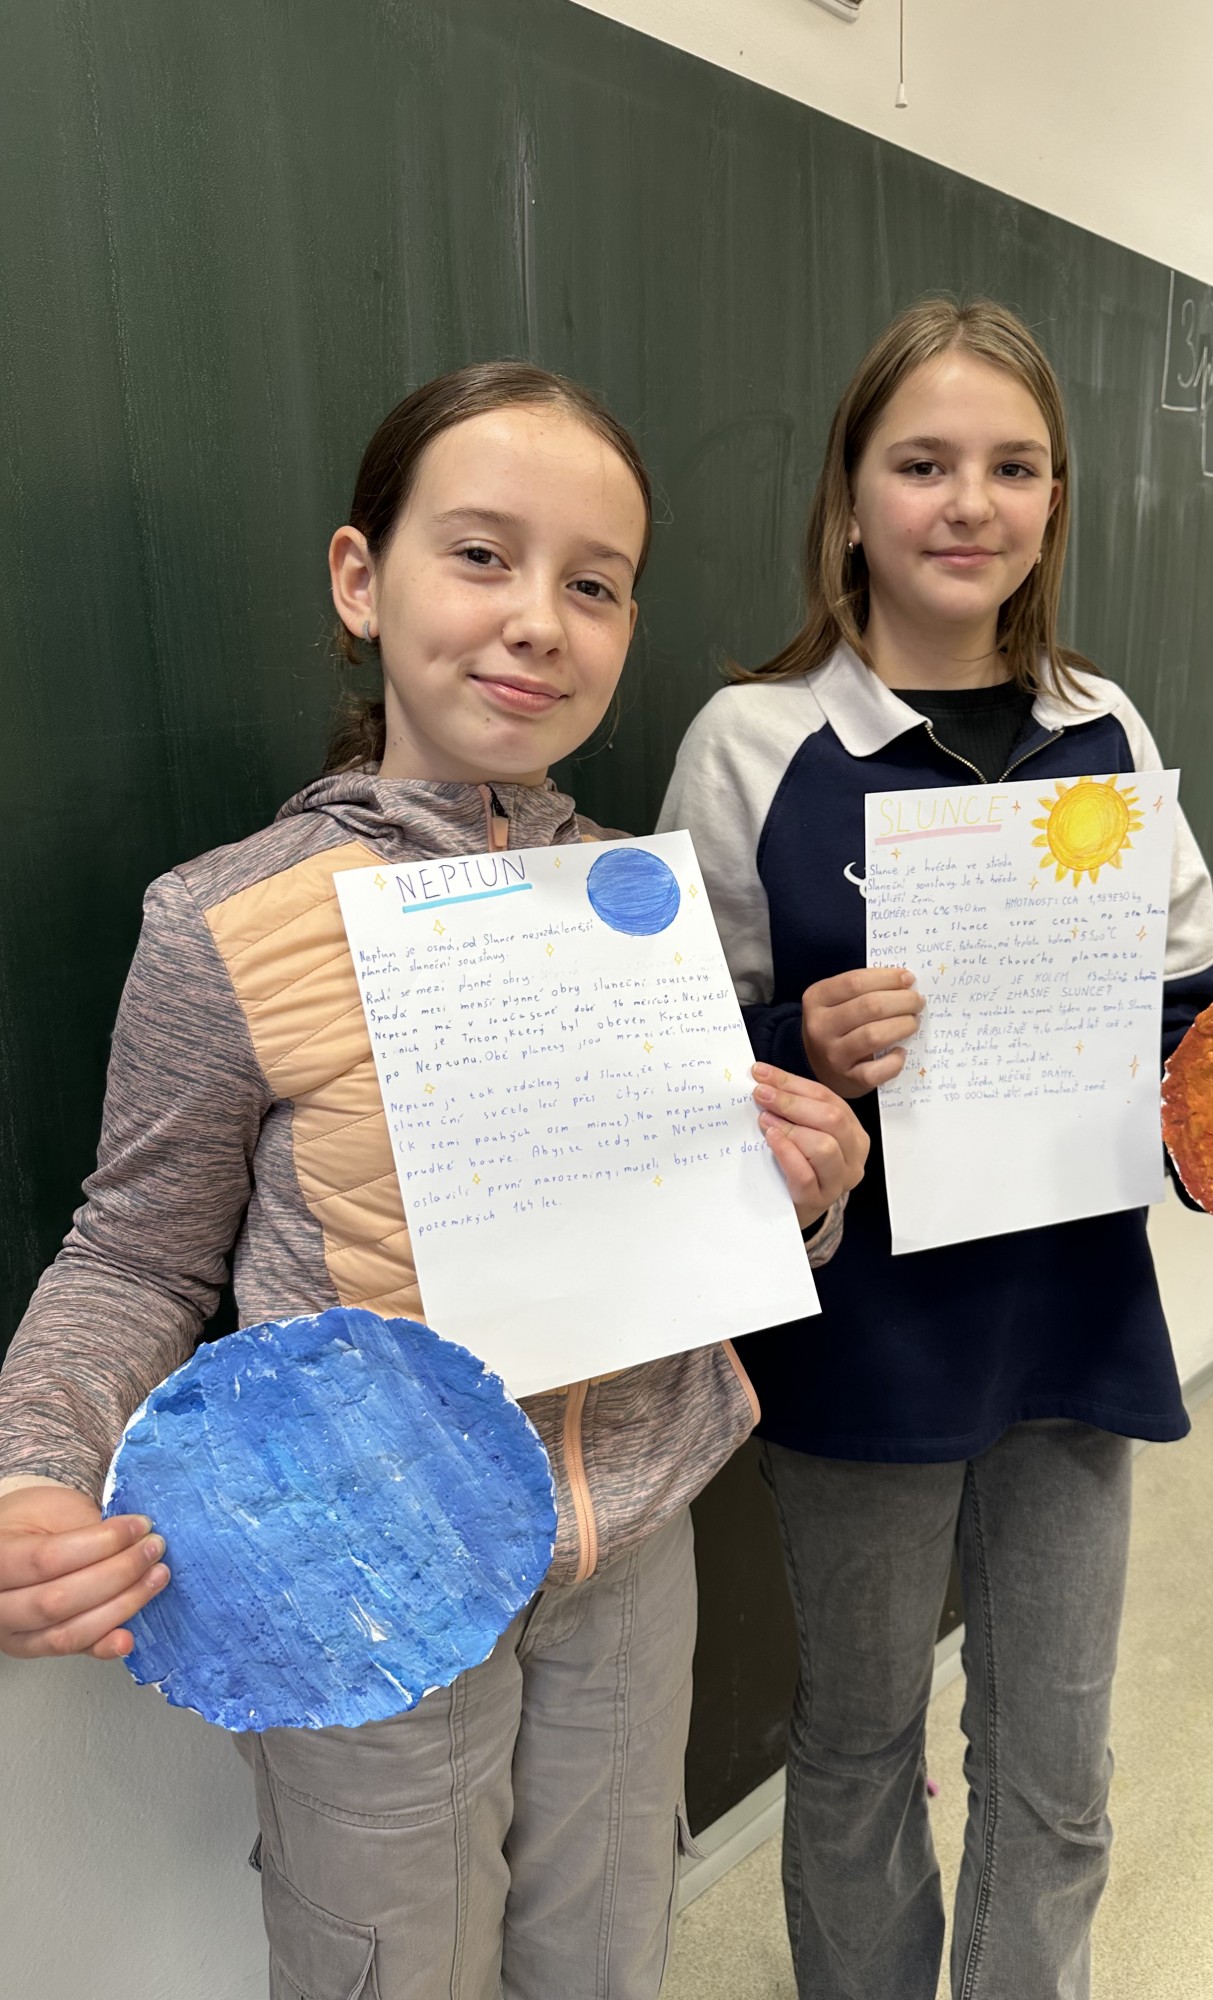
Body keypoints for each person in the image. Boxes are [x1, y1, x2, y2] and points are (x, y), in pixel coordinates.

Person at [0, 361, 868, 2000]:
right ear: (361, 579)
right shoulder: (227, 921)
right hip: (365, 1580)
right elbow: (131, 1257)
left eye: (594, 585)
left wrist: (804, 1189)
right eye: (480, 555)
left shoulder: (634, 903)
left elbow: (692, 1223)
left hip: (633, 1555)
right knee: (391, 1966)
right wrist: (35, 1464)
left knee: (606, 1953)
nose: (536, 620)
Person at [657, 297, 1213, 2000]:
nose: (970, 503)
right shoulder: (755, 744)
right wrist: (797, 1048)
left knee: (1056, 1757)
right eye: (923, 464)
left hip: (1073, 1323)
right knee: (861, 1743)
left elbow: (1183, 1054)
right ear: (849, 496)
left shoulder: (1110, 731)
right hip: (863, 1340)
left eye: (1014, 467)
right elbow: (672, 1074)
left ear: (1055, 501)